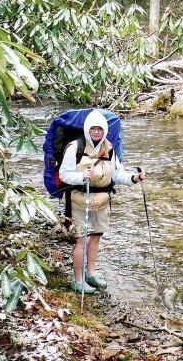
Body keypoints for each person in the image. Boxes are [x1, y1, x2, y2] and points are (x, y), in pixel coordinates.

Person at [59, 109, 145, 294]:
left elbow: (117, 173)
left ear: (104, 130)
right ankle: (78, 280)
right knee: (81, 241)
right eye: (93, 129)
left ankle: (91, 273)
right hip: (80, 201)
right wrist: (82, 176)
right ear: (87, 129)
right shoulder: (75, 148)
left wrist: (134, 178)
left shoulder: (109, 148)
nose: (96, 132)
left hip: (102, 202)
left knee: (95, 238)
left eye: (99, 129)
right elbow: (63, 174)